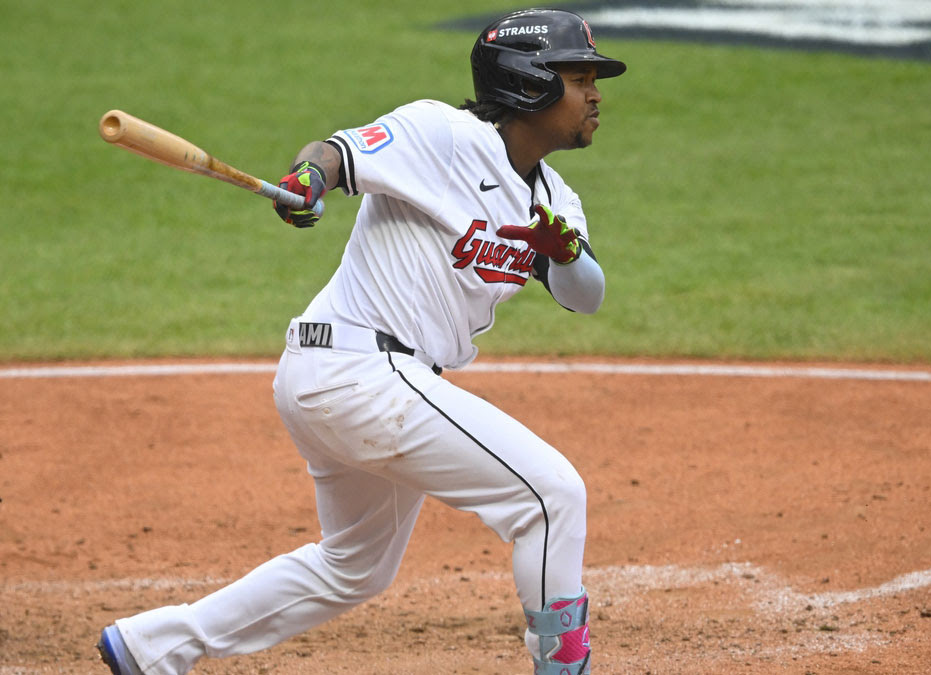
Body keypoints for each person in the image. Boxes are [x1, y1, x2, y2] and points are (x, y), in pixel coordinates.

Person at [96, 9, 624, 675]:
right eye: (580, 78)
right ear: (530, 85)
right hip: (358, 371)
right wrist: (307, 181)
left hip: (358, 380)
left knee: (355, 566)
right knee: (551, 495)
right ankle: (562, 666)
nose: (597, 94)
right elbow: (337, 154)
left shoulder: (555, 200)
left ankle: (151, 646)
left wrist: (566, 251)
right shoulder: (443, 135)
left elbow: (587, 294)